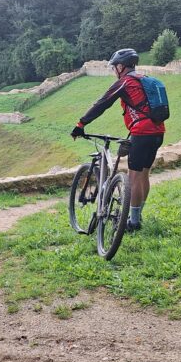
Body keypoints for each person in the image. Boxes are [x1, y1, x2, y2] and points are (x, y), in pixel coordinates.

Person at [70, 48, 165, 231]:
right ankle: (136, 216)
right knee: (144, 175)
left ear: (121, 67)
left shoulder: (125, 82)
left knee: (134, 176)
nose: (114, 70)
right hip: (158, 131)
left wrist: (81, 124)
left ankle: (134, 222)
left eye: (114, 67)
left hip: (141, 133)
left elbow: (102, 103)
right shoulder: (144, 79)